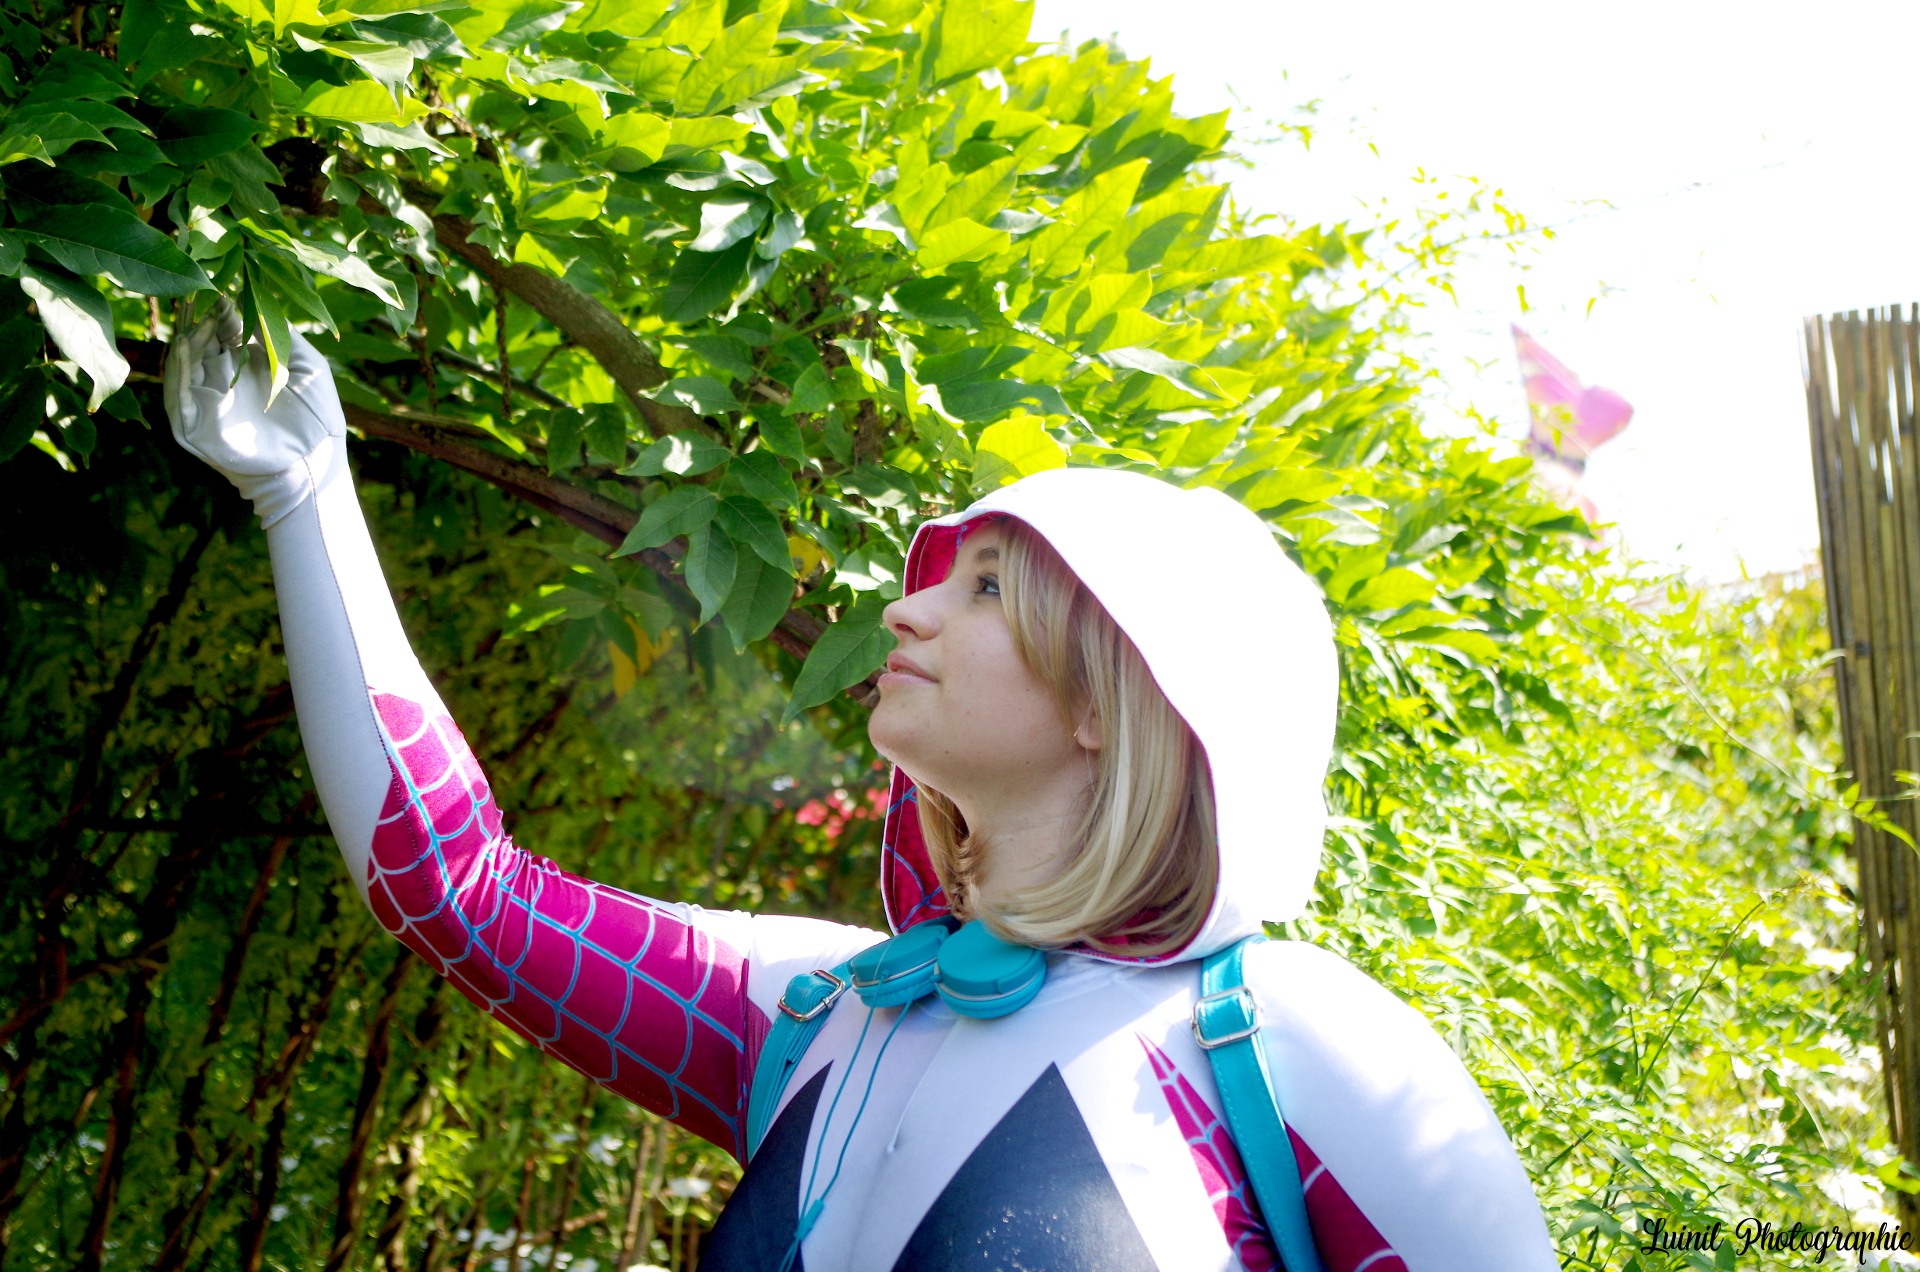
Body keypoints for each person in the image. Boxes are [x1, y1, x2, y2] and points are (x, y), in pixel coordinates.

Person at [165, 314, 1559, 1272]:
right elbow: (461, 893)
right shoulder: (819, 1014)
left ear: (1115, 701)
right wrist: (305, 489)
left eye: (989, 588)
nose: (906, 610)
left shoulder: (1292, 1052)